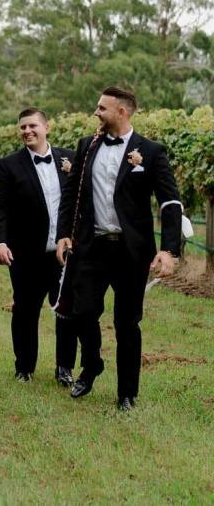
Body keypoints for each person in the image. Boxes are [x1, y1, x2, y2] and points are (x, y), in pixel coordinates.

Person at [57, 86, 182, 411]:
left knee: (127, 322)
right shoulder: (86, 146)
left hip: (131, 251)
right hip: (92, 247)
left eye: (102, 108)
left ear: (121, 112)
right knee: (82, 312)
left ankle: (127, 393)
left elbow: (170, 202)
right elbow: (71, 194)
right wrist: (64, 234)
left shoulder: (150, 151)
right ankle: (92, 364)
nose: (96, 113)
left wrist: (169, 250)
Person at [0, 108, 78, 385]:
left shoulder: (70, 159)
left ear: (46, 127)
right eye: (23, 127)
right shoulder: (8, 165)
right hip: (26, 253)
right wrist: (0, 242)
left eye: (32, 126)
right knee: (25, 310)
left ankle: (65, 368)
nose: (27, 131)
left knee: (66, 310)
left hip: (64, 253)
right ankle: (24, 367)